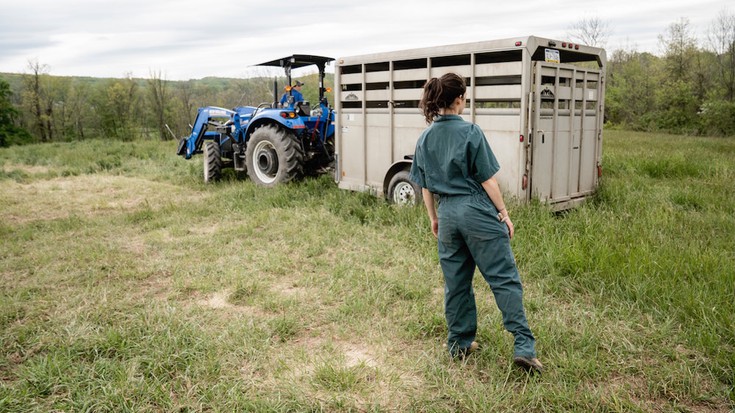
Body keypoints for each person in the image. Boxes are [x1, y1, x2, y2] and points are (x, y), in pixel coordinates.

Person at [409, 73, 543, 374]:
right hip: (476, 210)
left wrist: (434, 218)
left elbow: (426, 186)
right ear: (458, 99)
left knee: (456, 284)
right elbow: (487, 180)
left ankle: (459, 343)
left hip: (446, 215)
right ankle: (524, 346)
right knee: (503, 277)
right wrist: (504, 213)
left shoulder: (425, 137)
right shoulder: (470, 131)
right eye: (465, 96)